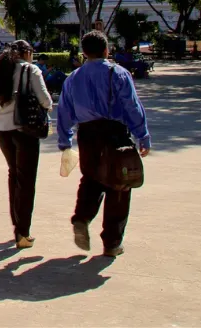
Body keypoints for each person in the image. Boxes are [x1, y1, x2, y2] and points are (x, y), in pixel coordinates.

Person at [57, 30, 151, 258]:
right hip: (114, 133)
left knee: (91, 178)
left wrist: (64, 141)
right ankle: (112, 242)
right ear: (106, 50)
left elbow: (64, 111)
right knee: (119, 184)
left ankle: (82, 217)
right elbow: (131, 106)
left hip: (87, 134)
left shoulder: (73, 78)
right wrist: (143, 135)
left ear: (83, 53)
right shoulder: (117, 74)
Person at [0, 40, 54, 249]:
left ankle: (17, 225)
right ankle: (23, 231)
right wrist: (47, 107)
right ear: (26, 53)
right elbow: (46, 100)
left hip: (4, 133)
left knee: (14, 176)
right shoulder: (32, 71)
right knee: (26, 181)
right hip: (25, 132)